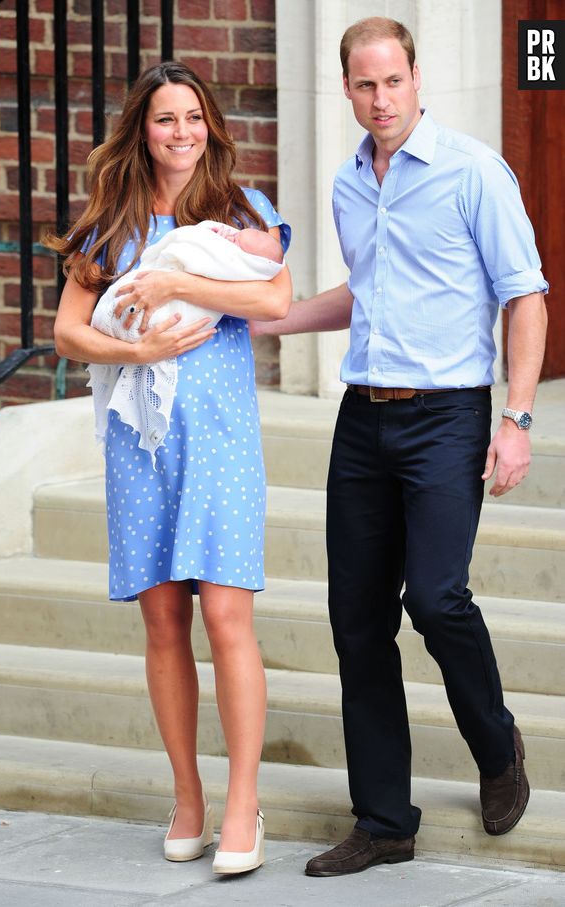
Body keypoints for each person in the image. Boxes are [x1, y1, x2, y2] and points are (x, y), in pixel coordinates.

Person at [253, 16, 548, 877]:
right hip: (363, 420)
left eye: (393, 81)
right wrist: (266, 317)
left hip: (448, 414)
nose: (380, 99)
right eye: (364, 85)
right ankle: (384, 819)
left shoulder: (472, 172)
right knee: (357, 621)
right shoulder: (349, 184)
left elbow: (524, 296)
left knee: (439, 598)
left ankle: (497, 744)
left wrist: (517, 418)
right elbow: (368, 292)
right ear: (345, 90)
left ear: (418, 80)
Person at [47, 60, 292, 876]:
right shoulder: (111, 218)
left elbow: (278, 302)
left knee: (227, 617)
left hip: (220, 437)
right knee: (162, 622)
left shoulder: (239, 211)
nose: (180, 132)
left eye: (193, 117)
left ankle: (241, 803)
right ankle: (187, 794)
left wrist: (181, 280)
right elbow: (68, 332)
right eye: (164, 119)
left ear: (210, 126)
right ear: (141, 130)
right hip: (139, 441)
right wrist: (137, 346)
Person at [87, 221, 284, 466]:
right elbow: (66, 337)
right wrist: (137, 352)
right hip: (133, 424)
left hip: (220, 419)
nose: (231, 236)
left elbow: (275, 303)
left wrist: (174, 285)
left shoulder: (246, 209)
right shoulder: (112, 219)